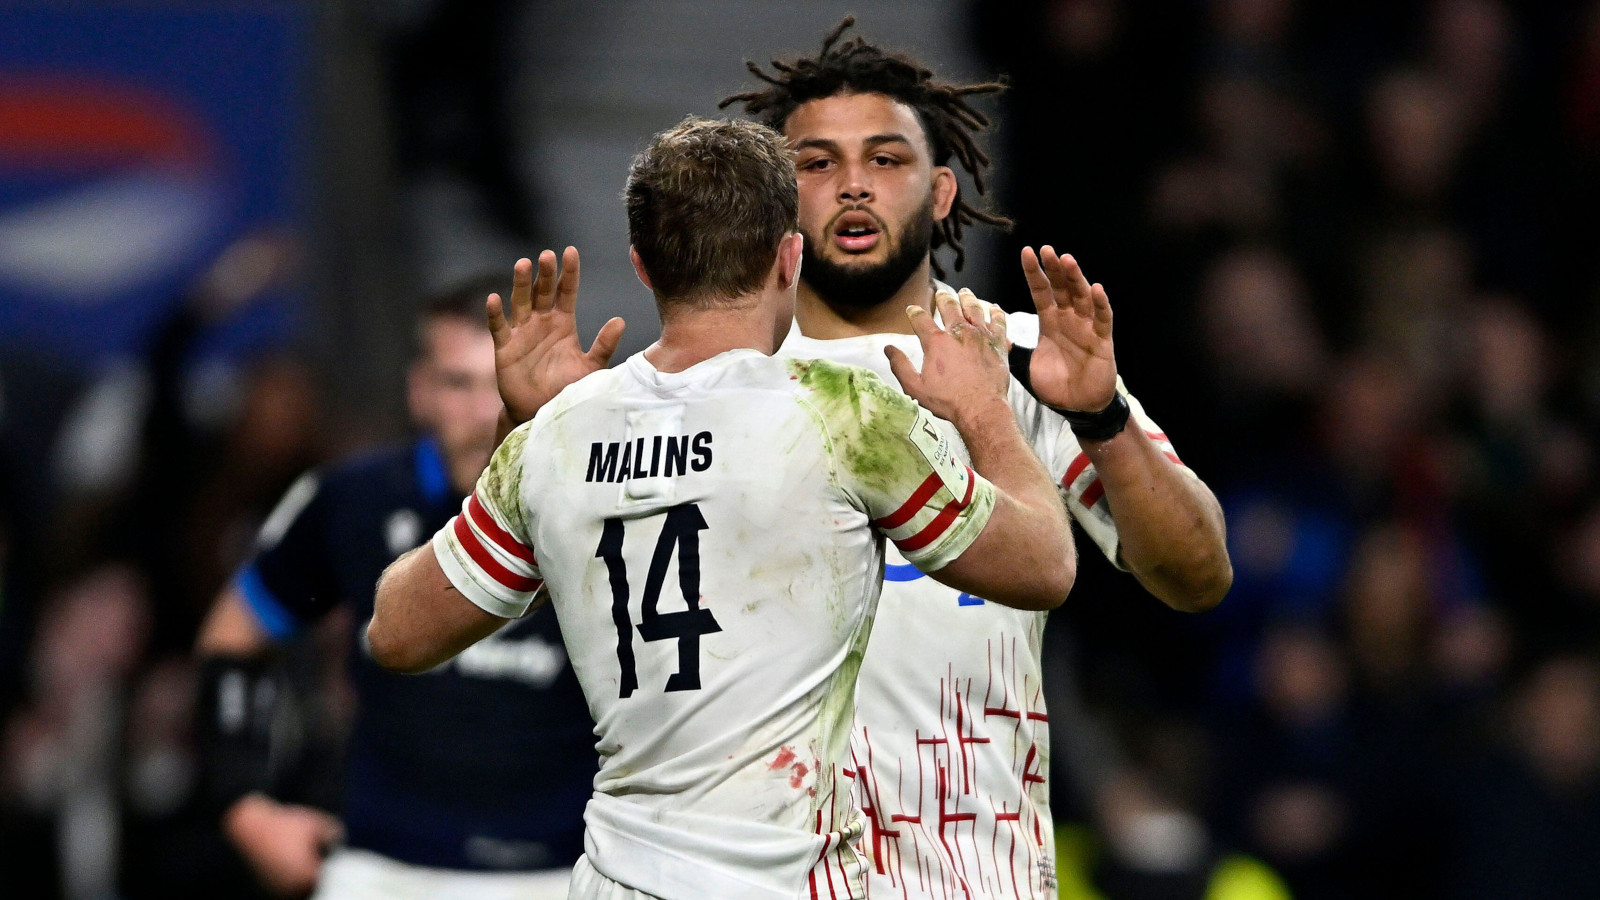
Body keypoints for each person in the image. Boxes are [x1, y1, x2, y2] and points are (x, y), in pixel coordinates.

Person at [365, 116, 1078, 900]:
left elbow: (396, 633)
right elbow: (1044, 566)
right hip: (780, 881)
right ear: (789, 257)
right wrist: (985, 412)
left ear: (642, 265)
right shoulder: (842, 415)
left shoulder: (557, 435)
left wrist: (524, 435)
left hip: (618, 879)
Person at [718, 18, 1233, 896]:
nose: (853, 185)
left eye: (886, 159)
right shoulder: (716, 386)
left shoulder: (1030, 361)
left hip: (973, 874)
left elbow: (1197, 574)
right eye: (817, 163)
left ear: (942, 191)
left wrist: (1101, 416)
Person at [193, 279, 595, 900]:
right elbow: (233, 634)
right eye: (459, 383)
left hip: (567, 868)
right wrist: (244, 806)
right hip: (381, 867)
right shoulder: (352, 499)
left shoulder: (612, 499)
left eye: (507, 381)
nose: (487, 410)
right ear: (419, 391)